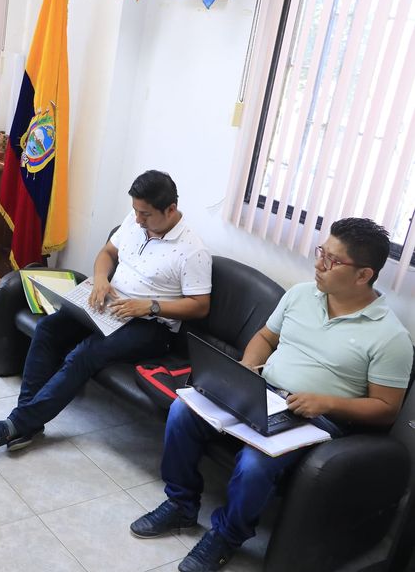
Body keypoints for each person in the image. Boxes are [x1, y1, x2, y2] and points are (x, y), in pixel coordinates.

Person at [131, 217, 412, 572]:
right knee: (183, 412)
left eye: (332, 260)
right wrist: (247, 368)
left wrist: (327, 403)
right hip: (263, 392)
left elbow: (386, 408)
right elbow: (265, 337)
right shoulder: (300, 295)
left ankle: (226, 536)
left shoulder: (390, 338)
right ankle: (180, 504)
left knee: (254, 464)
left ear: (363, 275)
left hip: (315, 419)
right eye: (321, 252)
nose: (319, 264)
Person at [0, 170, 212, 450]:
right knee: (49, 327)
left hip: (150, 326)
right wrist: (100, 278)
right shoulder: (134, 221)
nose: (138, 219)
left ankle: (17, 424)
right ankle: (28, 422)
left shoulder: (193, 251)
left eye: (146, 214)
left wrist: (150, 306)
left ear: (170, 209)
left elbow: (200, 306)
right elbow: (107, 253)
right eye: (136, 211)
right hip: (110, 305)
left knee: (85, 353)